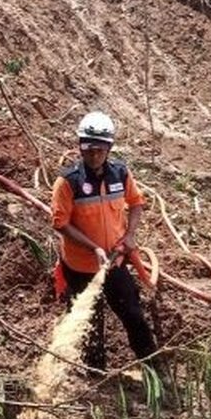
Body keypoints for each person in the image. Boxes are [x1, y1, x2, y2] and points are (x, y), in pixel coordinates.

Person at [50, 111, 157, 371]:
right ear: (80, 146)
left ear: (109, 148)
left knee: (133, 314)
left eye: (100, 149)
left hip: (114, 263)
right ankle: (95, 376)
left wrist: (129, 236)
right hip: (80, 267)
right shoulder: (68, 182)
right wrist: (94, 247)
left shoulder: (120, 174)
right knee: (89, 325)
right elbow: (60, 223)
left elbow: (137, 202)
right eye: (88, 149)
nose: (94, 155)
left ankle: (153, 366)